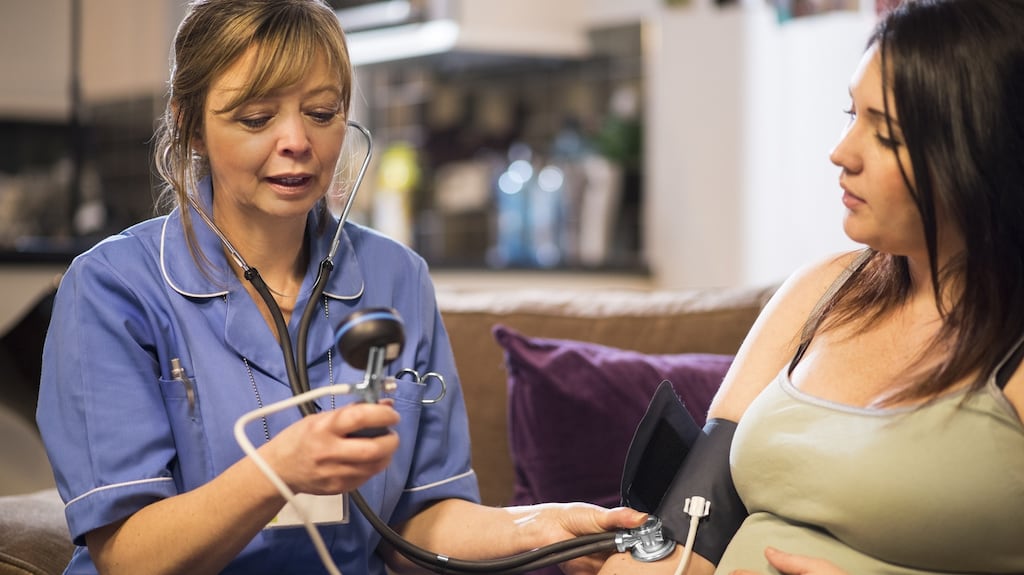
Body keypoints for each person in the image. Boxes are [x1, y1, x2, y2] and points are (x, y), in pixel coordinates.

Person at [35, 1, 646, 574]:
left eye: (322, 113)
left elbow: (415, 524)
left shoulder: (397, 278)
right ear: (190, 126)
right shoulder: (112, 291)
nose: (298, 141)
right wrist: (280, 469)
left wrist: (536, 529)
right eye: (255, 117)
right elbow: (128, 556)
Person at [600, 0, 1024, 573]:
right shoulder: (822, 292)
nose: (842, 153)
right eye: (852, 114)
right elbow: (689, 528)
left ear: (985, 154)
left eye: (889, 136)